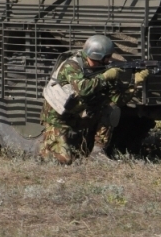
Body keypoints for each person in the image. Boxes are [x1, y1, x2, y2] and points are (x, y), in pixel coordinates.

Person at [39, 35, 149, 165]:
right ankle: (46, 146)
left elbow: (117, 100)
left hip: (79, 115)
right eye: (107, 57)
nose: (109, 61)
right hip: (58, 119)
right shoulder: (72, 65)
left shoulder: (102, 70)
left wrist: (135, 83)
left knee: (111, 109)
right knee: (64, 160)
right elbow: (83, 89)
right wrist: (105, 77)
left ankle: (98, 153)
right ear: (99, 57)